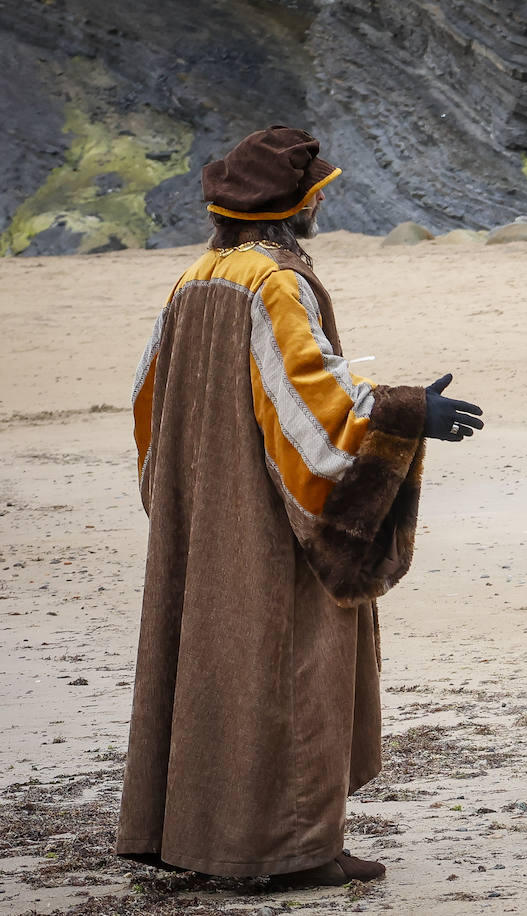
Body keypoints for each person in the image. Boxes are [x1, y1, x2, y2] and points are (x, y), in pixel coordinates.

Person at [118, 126, 484, 886]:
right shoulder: (276, 283)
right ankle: (287, 850)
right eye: (317, 193)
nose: (322, 202)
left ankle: (204, 837)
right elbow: (317, 418)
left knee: (215, 669)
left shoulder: (194, 277)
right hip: (267, 523)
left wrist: (185, 502)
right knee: (292, 668)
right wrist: (409, 414)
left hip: (208, 514)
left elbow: (148, 405)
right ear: (295, 204)